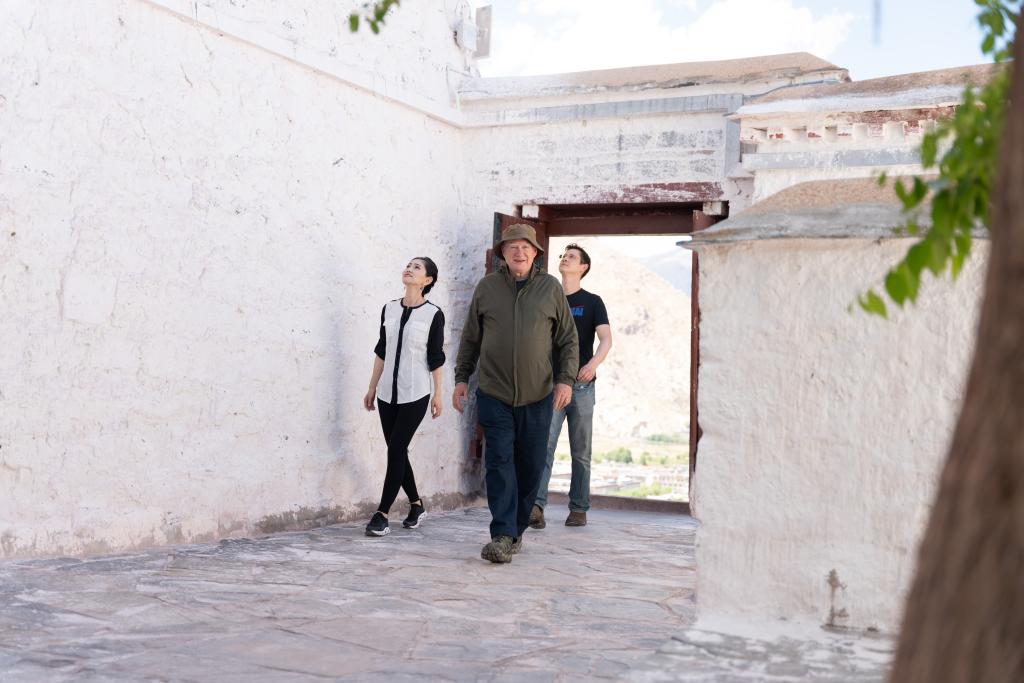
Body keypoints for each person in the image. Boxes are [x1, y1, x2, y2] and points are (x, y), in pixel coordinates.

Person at [453, 224, 579, 563]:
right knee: (498, 462)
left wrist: (566, 380)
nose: (519, 252)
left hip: (538, 395)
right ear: (503, 254)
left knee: (530, 466)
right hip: (494, 392)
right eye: (512, 247)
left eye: (525, 247)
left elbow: (568, 340)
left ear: (535, 252)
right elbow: (471, 338)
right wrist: (462, 377)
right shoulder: (487, 288)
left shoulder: (550, 288)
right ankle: (502, 534)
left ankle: (516, 529)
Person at [530, 243, 611, 529]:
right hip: (550, 386)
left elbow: (606, 339)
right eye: (563, 255)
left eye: (572, 257)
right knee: (544, 447)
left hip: (582, 386)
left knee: (581, 451)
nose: (565, 258)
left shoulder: (592, 301)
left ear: (583, 267)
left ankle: (578, 508)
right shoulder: (547, 298)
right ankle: (536, 507)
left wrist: (593, 365)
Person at [362, 257, 445, 537]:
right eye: (409, 265)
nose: (409, 269)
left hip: (416, 393)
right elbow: (381, 350)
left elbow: (436, 357)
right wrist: (372, 387)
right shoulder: (389, 309)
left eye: (417, 267)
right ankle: (416, 505)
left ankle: (382, 514)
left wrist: (438, 395)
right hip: (387, 393)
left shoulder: (433, 314)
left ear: (427, 280)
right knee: (397, 450)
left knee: (396, 449)